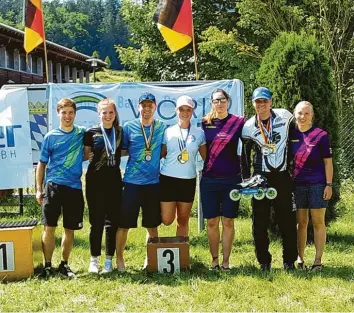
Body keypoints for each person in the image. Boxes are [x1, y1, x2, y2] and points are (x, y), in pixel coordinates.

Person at [242, 87, 297, 271]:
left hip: (282, 176)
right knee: (259, 222)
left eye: (265, 101)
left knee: (287, 220)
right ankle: (264, 262)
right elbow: (243, 154)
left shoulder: (285, 116)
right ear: (253, 104)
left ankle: (289, 261)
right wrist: (246, 178)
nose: (262, 105)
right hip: (260, 177)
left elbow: (298, 137)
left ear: (271, 102)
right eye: (258, 102)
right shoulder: (249, 126)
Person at [116, 92, 167, 271]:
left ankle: (149, 260)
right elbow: (121, 151)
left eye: (150, 105)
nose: (146, 109)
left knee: (152, 226)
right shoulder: (129, 127)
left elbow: (164, 150)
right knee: (123, 225)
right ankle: (120, 261)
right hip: (131, 182)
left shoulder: (161, 127)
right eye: (143, 105)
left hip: (153, 183)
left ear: (155, 107)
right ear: (138, 107)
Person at [36, 98, 86, 278]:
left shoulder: (81, 133)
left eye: (71, 112)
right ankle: (47, 265)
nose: (67, 116)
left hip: (74, 188)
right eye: (64, 112)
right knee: (49, 227)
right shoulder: (51, 136)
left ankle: (64, 265)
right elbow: (41, 164)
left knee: (69, 229)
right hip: (53, 186)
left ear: (75, 114)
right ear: (58, 113)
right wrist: (38, 189)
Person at [200, 88, 245, 270]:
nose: (219, 103)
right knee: (211, 222)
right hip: (209, 179)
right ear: (212, 103)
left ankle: (226, 262)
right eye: (216, 100)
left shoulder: (238, 122)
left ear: (228, 101)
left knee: (228, 221)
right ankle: (214, 260)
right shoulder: (205, 123)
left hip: (232, 179)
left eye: (222, 100)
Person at [291, 101, 333, 271]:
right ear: (294, 114)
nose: (303, 117)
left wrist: (329, 184)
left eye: (307, 113)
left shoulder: (321, 135)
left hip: (317, 184)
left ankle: (317, 261)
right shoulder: (290, 135)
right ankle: (300, 259)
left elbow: (328, 162)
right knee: (301, 223)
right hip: (297, 184)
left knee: (317, 222)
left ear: (312, 116)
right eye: (300, 113)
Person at [84, 99, 123, 274]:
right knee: (96, 222)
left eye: (111, 112)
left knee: (112, 222)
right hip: (94, 182)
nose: (107, 116)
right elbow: (85, 155)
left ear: (115, 114)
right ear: (98, 114)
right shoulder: (90, 133)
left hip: (114, 182)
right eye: (104, 112)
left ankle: (108, 261)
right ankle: (94, 260)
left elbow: (127, 149)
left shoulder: (120, 132)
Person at [160, 95, 206, 236]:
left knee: (183, 220)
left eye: (188, 109)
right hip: (168, 179)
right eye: (181, 109)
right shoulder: (168, 132)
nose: (185, 112)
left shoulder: (199, 133)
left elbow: (207, 158)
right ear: (176, 110)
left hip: (188, 180)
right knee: (167, 220)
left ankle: (181, 254)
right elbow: (161, 154)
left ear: (192, 112)